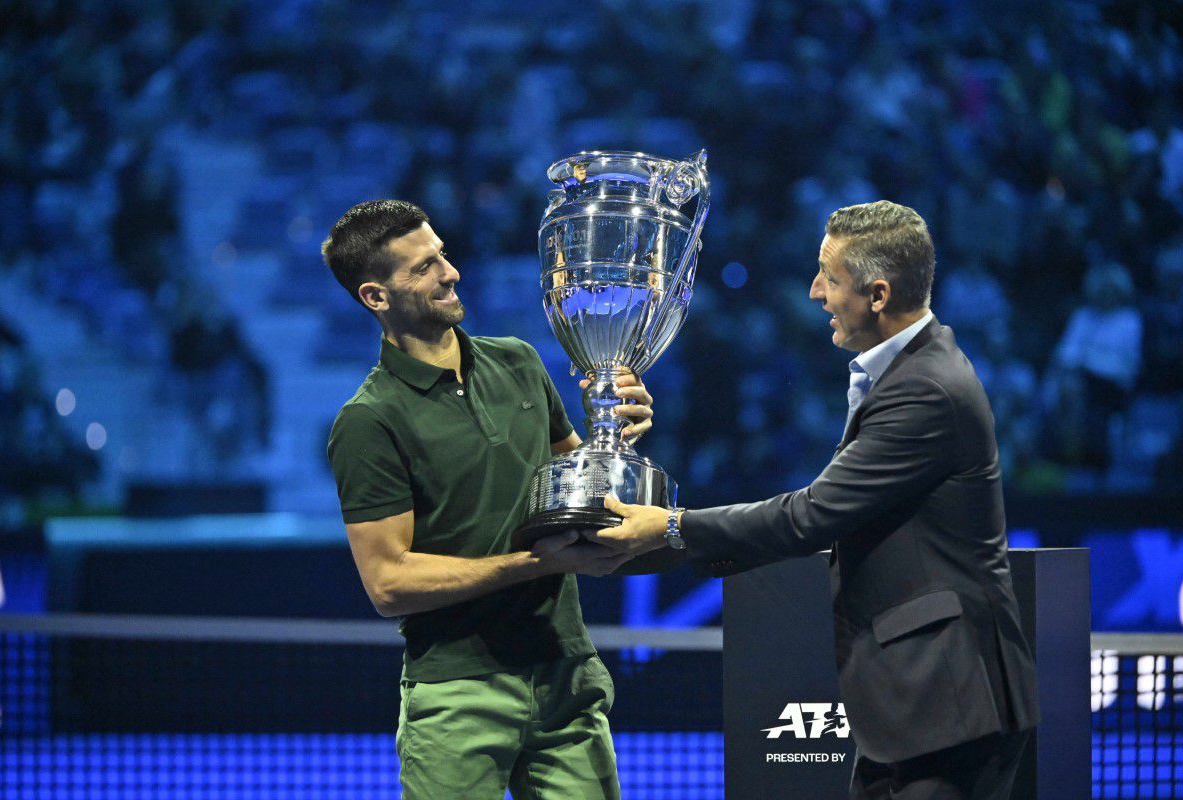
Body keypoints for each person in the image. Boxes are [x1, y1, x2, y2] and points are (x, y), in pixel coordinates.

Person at [589, 201, 1040, 800]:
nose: (814, 292)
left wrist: (671, 527)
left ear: (877, 295)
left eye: (829, 276)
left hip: (949, 702)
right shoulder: (912, 371)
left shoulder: (925, 389)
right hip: (917, 706)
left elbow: (812, 515)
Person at [322, 199, 653, 799]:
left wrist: (615, 433)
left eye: (443, 255)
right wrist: (534, 563)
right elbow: (388, 583)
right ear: (375, 296)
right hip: (457, 693)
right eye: (423, 267)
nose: (450, 273)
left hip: (565, 671)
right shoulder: (368, 421)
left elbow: (579, 484)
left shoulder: (519, 362)